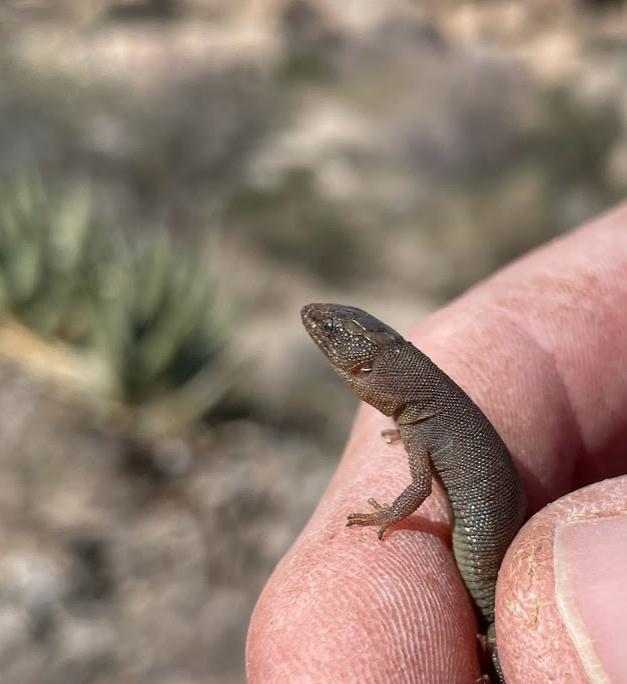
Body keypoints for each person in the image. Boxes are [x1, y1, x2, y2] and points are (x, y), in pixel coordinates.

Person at [247, 203, 627, 683]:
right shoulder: (421, 411)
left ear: (366, 372)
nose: (317, 323)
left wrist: (387, 516)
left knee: (498, 628)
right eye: (328, 333)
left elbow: (420, 489)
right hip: (492, 532)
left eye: (332, 334)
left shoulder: (422, 419)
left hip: (487, 550)